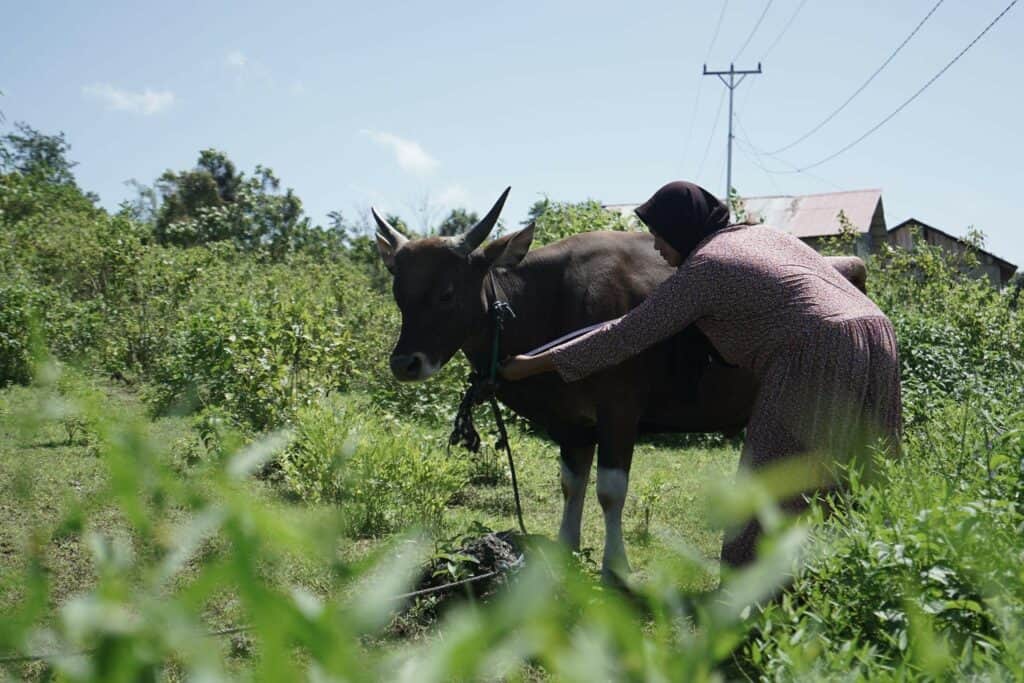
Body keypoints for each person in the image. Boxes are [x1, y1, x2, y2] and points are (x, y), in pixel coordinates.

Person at [500, 180, 902, 568]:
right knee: (863, 468)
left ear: (681, 228)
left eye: (659, 235)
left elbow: (623, 336)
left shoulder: (705, 269)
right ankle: (873, 577)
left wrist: (531, 365)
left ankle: (752, 593)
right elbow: (852, 264)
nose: (655, 247)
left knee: (771, 478)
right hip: (876, 333)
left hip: (812, 350)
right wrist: (855, 307)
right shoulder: (760, 237)